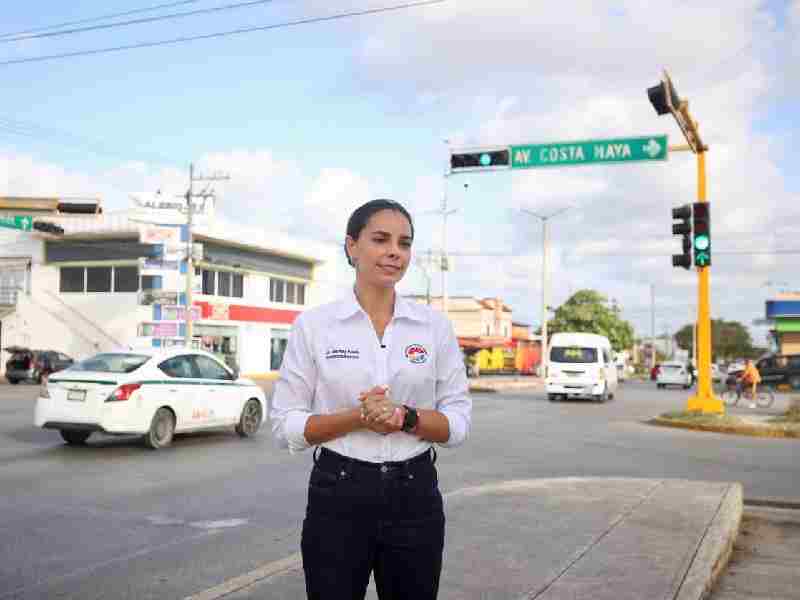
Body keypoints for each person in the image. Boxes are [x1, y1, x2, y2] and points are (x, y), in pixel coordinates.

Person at [270, 199, 472, 600]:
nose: (395, 251)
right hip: (338, 492)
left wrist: (405, 417)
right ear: (352, 246)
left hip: (415, 493)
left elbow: (458, 423)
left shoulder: (433, 327)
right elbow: (284, 425)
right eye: (380, 239)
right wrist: (357, 418)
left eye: (404, 242)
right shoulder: (315, 326)